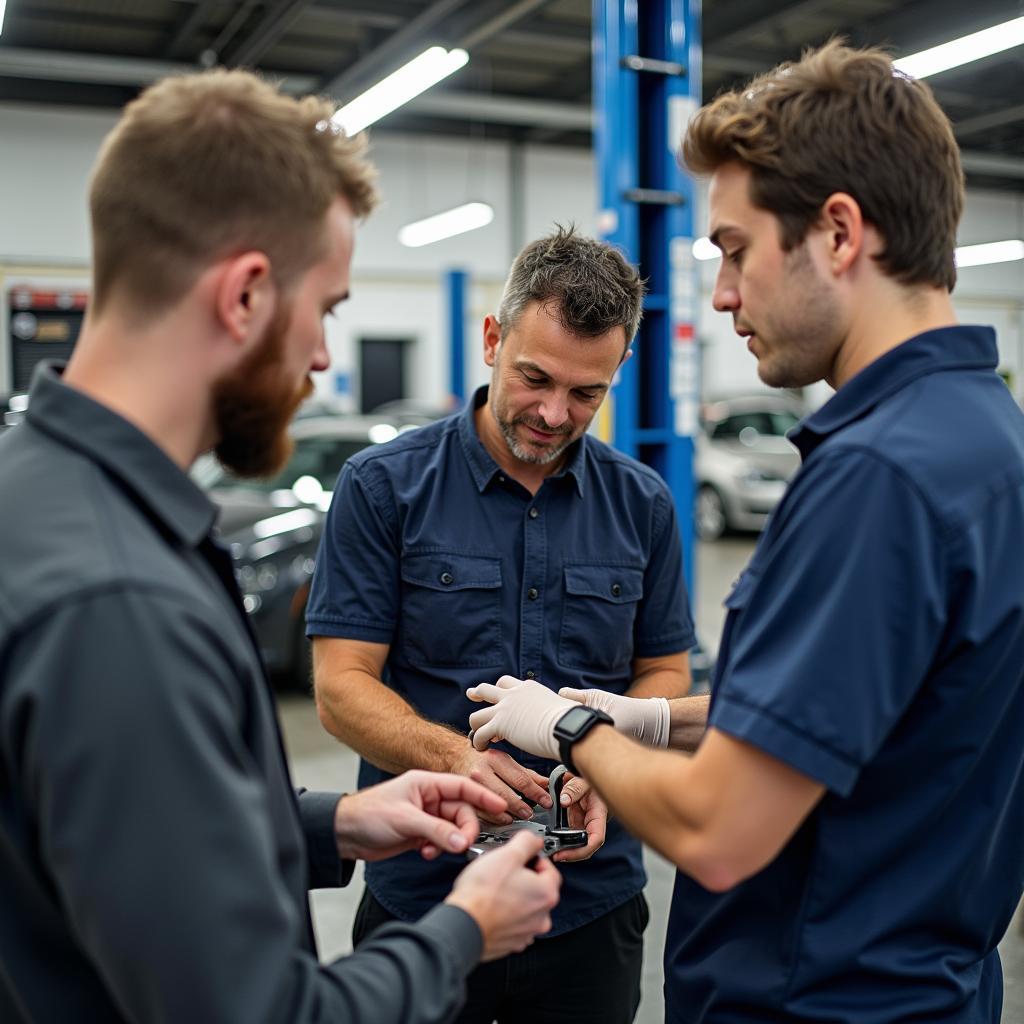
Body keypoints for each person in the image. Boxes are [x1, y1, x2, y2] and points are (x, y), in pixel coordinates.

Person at [464, 40, 1024, 1024]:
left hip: (811, 1000)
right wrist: (654, 719)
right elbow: (848, 715)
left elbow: (719, 827)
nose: (721, 295)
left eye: (733, 250)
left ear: (838, 234)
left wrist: (570, 729)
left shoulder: (876, 478)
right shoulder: (984, 441)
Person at [0, 69, 562, 1024]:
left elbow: (120, 840)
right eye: (328, 309)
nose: (322, 360)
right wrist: (465, 927)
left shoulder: (37, 498)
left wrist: (336, 822)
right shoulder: (119, 601)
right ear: (248, 295)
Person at [307, 226, 695, 1023]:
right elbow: (341, 687)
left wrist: (608, 758)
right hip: (425, 897)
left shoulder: (645, 505)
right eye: (534, 378)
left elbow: (664, 675)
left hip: (588, 907)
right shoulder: (383, 489)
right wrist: (455, 757)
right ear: (492, 338)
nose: (555, 413)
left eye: (587, 392)